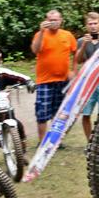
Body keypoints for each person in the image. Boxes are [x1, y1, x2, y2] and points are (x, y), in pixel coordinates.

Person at [31, 9, 77, 143]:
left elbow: (76, 53)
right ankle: (42, 142)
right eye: (50, 20)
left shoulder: (67, 35)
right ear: (46, 21)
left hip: (62, 80)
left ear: (61, 21)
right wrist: (40, 32)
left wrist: (73, 71)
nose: (53, 23)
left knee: (59, 113)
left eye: (56, 20)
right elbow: (35, 50)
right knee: (42, 113)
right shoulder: (41, 34)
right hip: (44, 80)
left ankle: (55, 141)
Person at [74, 11, 99, 144]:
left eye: (95, 23)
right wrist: (84, 44)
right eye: (90, 24)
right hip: (88, 83)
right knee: (86, 114)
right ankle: (90, 142)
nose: (93, 27)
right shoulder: (81, 41)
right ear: (86, 26)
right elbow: (78, 60)